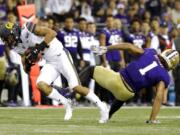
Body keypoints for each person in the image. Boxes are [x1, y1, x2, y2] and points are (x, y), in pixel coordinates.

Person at [0, 22, 109, 123]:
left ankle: (102, 107)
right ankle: (67, 103)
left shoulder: (27, 29)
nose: (7, 41)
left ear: (13, 32)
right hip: (50, 62)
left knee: (75, 86)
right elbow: (25, 66)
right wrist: (28, 64)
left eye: (7, 38)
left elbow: (52, 33)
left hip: (61, 56)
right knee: (41, 84)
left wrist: (37, 49)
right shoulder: (16, 45)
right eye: (5, 39)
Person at [80, 43, 179, 123]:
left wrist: (107, 48)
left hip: (117, 79)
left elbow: (128, 47)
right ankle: (108, 115)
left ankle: (70, 90)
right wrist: (152, 119)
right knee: (121, 99)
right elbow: (158, 96)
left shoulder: (151, 52)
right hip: (127, 93)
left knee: (90, 70)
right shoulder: (165, 76)